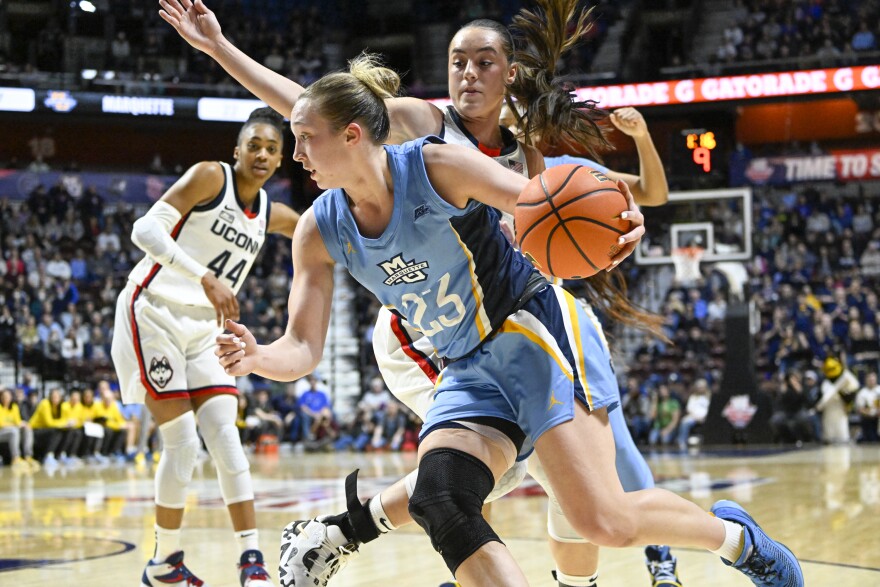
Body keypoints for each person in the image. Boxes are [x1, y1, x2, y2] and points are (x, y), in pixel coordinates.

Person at [163, 2, 800, 587]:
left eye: (483, 62)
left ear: (509, 76)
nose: (293, 154)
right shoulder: (392, 150)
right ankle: (405, 530)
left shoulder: (450, 161)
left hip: (525, 330)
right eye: (457, 62)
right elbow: (312, 110)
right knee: (442, 496)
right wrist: (255, 356)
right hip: (455, 355)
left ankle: (738, 541)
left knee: (602, 519)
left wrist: (617, 223)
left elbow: (552, 202)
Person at [109, 106, 300, 587]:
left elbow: (321, 227)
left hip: (205, 330)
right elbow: (144, 230)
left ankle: (251, 561)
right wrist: (205, 277)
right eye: (253, 145)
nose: (261, 154)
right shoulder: (210, 177)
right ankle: (165, 563)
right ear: (236, 150)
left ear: (280, 160)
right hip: (154, 310)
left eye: (271, 149)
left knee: (226, 438)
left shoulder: (271, 215)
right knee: (182, 443)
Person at [0, 387, 39, 471]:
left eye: (7, 396)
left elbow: (17, 421)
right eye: (4, 396)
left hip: (11, 430)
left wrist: (23, 424)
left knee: (27, 428)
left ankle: (28, 456)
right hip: (2, 432)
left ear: (11, 397)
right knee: (14, 431)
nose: (5, 398)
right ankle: (16, 458)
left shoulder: (14, 407)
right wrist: (15, 425)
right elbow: (1, 424)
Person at [854, 371, 880, 443]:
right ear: (866, 380)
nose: (871, 381)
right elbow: (860, 409)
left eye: (873, 379)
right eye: (870, 379)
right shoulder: (862, 393)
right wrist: (871, 414)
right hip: (869, 419)